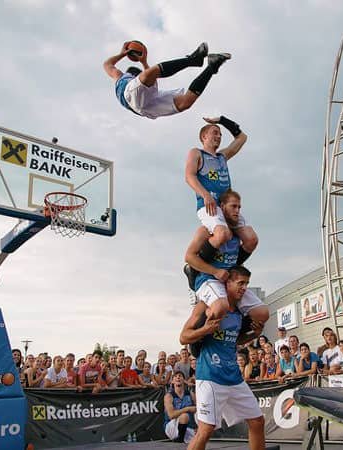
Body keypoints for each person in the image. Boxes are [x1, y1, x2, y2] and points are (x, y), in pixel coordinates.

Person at [179, 266, 266, 450]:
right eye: (240, 283)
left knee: (257, 421)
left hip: (233, 377)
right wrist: (206, 329)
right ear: (227, 283)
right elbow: (183, 337)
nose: (244, 288)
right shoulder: (206, 305)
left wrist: (254, 335)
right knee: (205, 430)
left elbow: (235, 340)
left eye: (247, 284)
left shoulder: (241, 313)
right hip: (210, 376)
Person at [184, 190, 269, 344]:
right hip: (209, 277)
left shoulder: (238, 233)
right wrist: (215, 271)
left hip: (229, 280)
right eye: (233, 207)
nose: (237, 211)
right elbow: (188, 257)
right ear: (222, 207)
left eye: (239, 208)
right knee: (220, 307)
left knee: (262, 313)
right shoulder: (206, 230)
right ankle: (199, 343)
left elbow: (250, 241)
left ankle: (233, 338)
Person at [184, 116, 256, 281]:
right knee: (222, 234)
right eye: (214, 133)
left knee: (251, 239)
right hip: (209, 205)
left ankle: (230, 269)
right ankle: (194, 269)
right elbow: (189, 176)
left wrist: (222, 120)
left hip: (227, 207)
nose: (218, 136)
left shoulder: (222, 156)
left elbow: (242, 138)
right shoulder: (197, 153)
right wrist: (205, 194)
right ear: (204, 137)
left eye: (220, 134)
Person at [103, 42, 230, 119]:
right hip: (131, 98)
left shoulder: (122, 78)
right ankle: (193, 60)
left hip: (146, 106)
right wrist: (124, 54)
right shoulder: (123, 77)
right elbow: (107, 64)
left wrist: (142, 61)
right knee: (150, 75)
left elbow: (108, 64)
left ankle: (211, 66)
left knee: (185, 103)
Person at [164, 371, 197, 443]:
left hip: (188, 426)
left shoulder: (190, 394)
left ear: (184, 381)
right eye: (175, 376)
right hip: (172, 426)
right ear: (172, 381)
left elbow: (197, 410)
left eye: (180, 376)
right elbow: (171, 415)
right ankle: (179, 441)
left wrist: (197, 427)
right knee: (184, 416)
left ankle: (183, 437)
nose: (178, 377)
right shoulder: (169, 396)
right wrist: (187, 409)